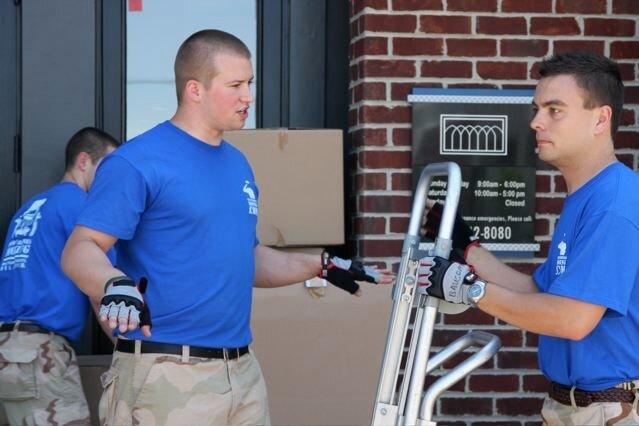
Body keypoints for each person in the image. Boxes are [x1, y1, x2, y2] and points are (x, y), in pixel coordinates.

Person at [61, 29, 393, 425]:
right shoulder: (137, 162)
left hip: (242, 372)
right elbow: (80, 248)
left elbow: (247, 259)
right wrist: (114, 284)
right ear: (194, 90)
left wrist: (322, 264)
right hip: (165, 374)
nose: (248, 97)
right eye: (235, 85)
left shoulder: (238, 164)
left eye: (249, 83)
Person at [419, 51, 639, 425]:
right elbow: (540, 293)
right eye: (537, 109)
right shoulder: (586, 197)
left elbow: (572, 319)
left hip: (608, 412)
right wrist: (469, 249)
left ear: (600, 119)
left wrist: (470, 290)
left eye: (555, 110)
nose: (537, 122)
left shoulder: (614, 205)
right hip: (572, 407)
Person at [0, 127, 118, 425]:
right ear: (83, 161)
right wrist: (127, 347)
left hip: (11, 349)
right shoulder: (81, 208)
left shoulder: (30, 208)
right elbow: (99, 289)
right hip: (39, 352)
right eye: (107, 167)